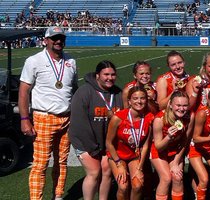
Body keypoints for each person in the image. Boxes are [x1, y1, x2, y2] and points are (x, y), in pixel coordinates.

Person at [19, 26, 77, 200]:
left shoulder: (71, 61)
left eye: (61, 38)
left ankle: (58, 195)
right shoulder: (34, 61)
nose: (58, 41)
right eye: (54, 38)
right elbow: (23, 91)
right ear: (46, 40)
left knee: (62, 161)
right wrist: (24, 119)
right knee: (41, 163)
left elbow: (74, 89)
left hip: (67, 118)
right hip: (43, 117)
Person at [70, 60, 124, 200]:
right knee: (94, 172)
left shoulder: (118, 93)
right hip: (84, 141)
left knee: (107, 170)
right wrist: (92, 148)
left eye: (113, 75)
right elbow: (79, 124)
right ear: (97, 75)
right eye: (106, 74)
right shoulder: (84, 92)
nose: (109, 78)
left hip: (105, 143)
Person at [105, 86, 155, 200]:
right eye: (135, 98)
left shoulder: (149, 118)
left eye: (142, 98)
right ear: (129, 101)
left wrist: (140, 168)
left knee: (138, 185)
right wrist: (119, 164)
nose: (139, 101)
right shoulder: (118, 118)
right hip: (117, 156)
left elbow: (145, 145)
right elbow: (109, 143)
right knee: (123, 186)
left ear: (146, 100)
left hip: (134, 156)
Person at [151, 91, 194, 200]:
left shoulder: (189, 116)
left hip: (176, 149)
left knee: (177, 177)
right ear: (170, 104)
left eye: (185, 105)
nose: (181, 109)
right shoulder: (159, 119)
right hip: (159, 151)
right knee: (166, 178)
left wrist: (175, 162)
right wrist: (169, 137)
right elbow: (158, 147)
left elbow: (185, 141)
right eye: (178, 105)